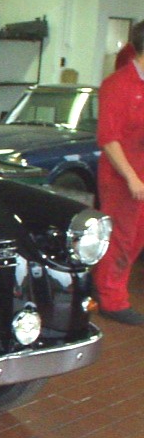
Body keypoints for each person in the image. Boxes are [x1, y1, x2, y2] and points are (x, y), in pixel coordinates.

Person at [94, 19, 144, 325]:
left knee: (136, 239)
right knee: (121, 238)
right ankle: (111, 300)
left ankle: (107, 286)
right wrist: (131, 177)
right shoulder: (118, 85)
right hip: (122, 179)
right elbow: (108, 139)